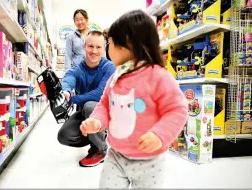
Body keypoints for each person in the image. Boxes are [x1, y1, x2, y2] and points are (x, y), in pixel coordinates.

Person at [80, 10, 188, 188]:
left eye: (111, 43)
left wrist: (159, 135)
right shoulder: (116, 76)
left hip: (150, 160)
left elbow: (177, 110)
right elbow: (105, 105)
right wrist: (96, 121)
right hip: (116, 155)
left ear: (128, 44)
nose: (108, 49)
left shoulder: (158, 76)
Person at [58, 30, 116, 167]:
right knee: (64, 135)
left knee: (90, 105)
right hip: (87, 113)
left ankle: (101, 150)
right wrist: (66, 90)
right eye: (90, 46)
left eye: (98, 47)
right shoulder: (79, 68)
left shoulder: (109, 67)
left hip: (107, 113)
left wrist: (73, 99)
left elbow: (99, 94)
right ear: (84, 46)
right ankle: (96, 138)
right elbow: (69, 77)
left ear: (104, 48)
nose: (94, 51)